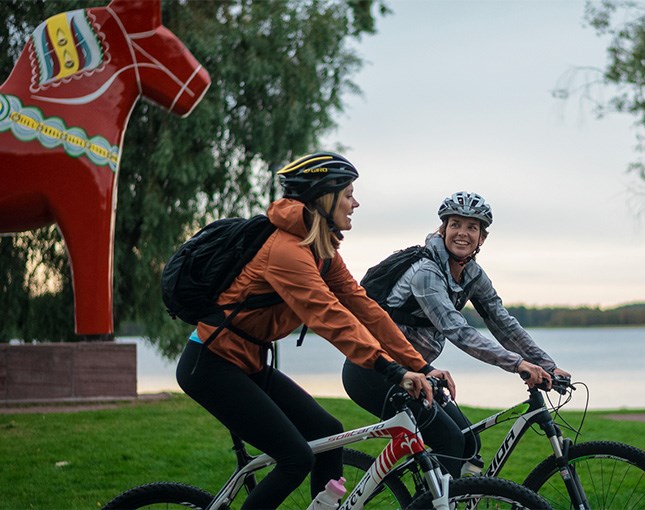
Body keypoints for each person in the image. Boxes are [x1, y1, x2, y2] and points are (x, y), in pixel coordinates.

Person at [176, 152, 454, 509]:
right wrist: (392, 370)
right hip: (211, 366)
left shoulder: (321, 250)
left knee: (328, 434)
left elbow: (364, 308)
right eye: (349, 193)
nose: (356, 203)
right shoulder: (286, 251)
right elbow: (331, 318)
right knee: (295, 458)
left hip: (249, 364)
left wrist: (421, 365)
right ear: (325, 197)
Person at [342, 191, 570, 478]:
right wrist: (517, 364)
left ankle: (440, 496)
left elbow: (503, 323)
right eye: (456, 225)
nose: (463, 233)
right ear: (443, 229)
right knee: (449, 440)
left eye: (472, 227)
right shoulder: (425, 272)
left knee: (467, 441)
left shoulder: (472, 275)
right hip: (374, 372)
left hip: (416, 374)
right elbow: (456, 329)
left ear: (482, 238)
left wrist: (546, 364)